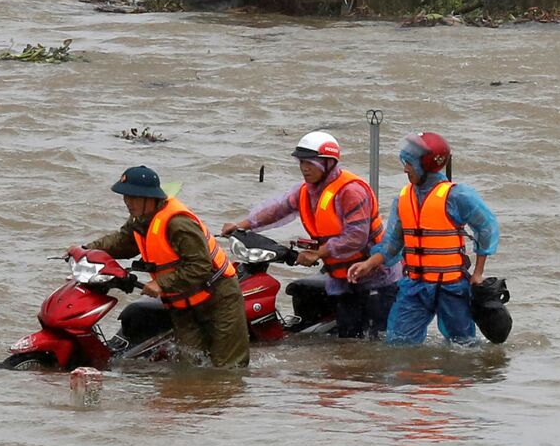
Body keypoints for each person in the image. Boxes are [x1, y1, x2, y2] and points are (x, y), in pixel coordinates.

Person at [221, 131, 400, 339]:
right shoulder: (307, 191)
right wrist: (242, 225)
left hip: (375, 277)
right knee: (349, 343)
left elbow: (356, 237)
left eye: (310, 163)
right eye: (301, 162)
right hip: (342, 277)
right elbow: (277, 209)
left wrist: (318, 253)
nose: (304, 168)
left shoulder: (351, 192)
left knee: (373, 342)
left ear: (329, 163)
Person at [76, 166, 249, 368]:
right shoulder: (140, 219)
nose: (127, 202)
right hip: (182, 303)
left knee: (228, 368)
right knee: (189, 367)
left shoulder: (178, 223)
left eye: (133, 197)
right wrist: (86, 250)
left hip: (218, 298)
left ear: (150, 198)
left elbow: (200, 266)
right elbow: (121, 242)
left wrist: (161, 283)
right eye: (125, 196)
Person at [348, 132, 499, 346]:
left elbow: (486, 227)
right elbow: (392, 245)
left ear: (428, 165)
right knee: (398, 344)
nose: (405, 169)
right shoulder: (402, 199)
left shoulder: (457, 196)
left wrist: (478, 273)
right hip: (414, 287)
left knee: (463, 347)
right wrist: (368, 264)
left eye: (410, 163)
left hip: (452, 287)